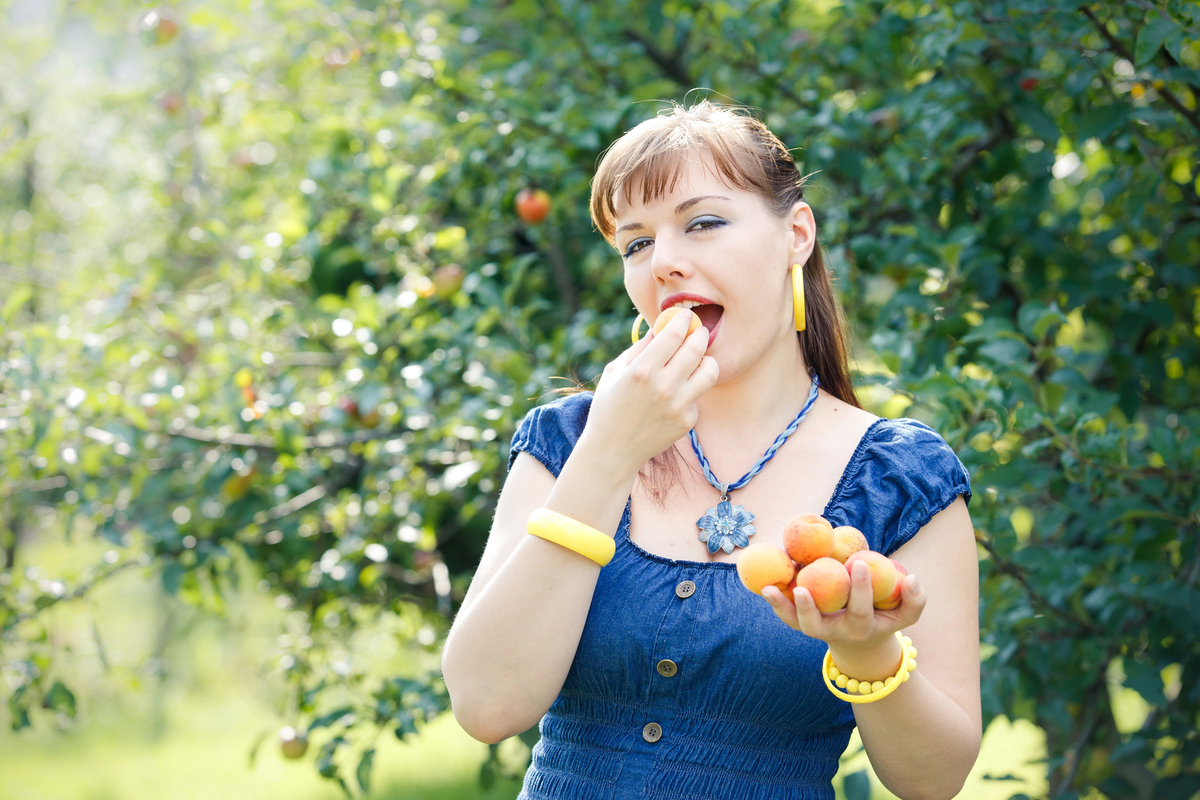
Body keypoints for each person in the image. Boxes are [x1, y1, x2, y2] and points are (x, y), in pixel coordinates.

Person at [441, 100, 981, 800]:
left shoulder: (900, 478)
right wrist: (609, 453)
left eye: (703, 223)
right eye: (636, 243)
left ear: (796, 234)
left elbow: (934, 781)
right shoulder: (569, 441)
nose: (664, 262)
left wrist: (866, 647)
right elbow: (486, 706)